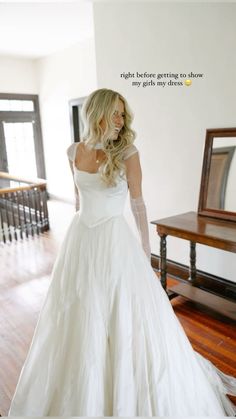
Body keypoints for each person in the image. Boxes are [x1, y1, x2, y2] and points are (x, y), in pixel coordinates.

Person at [8, 88, 236, 416]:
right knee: (82, 310)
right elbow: (79, 198)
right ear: (97, 114)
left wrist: (145, 253)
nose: (120, 120)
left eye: (123, 114)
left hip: (116, 240)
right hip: (82, 238)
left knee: (122, 311)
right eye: (115, 113)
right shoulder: (73, 151)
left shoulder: (128, 151)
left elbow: (138, 205)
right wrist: (73, 232)